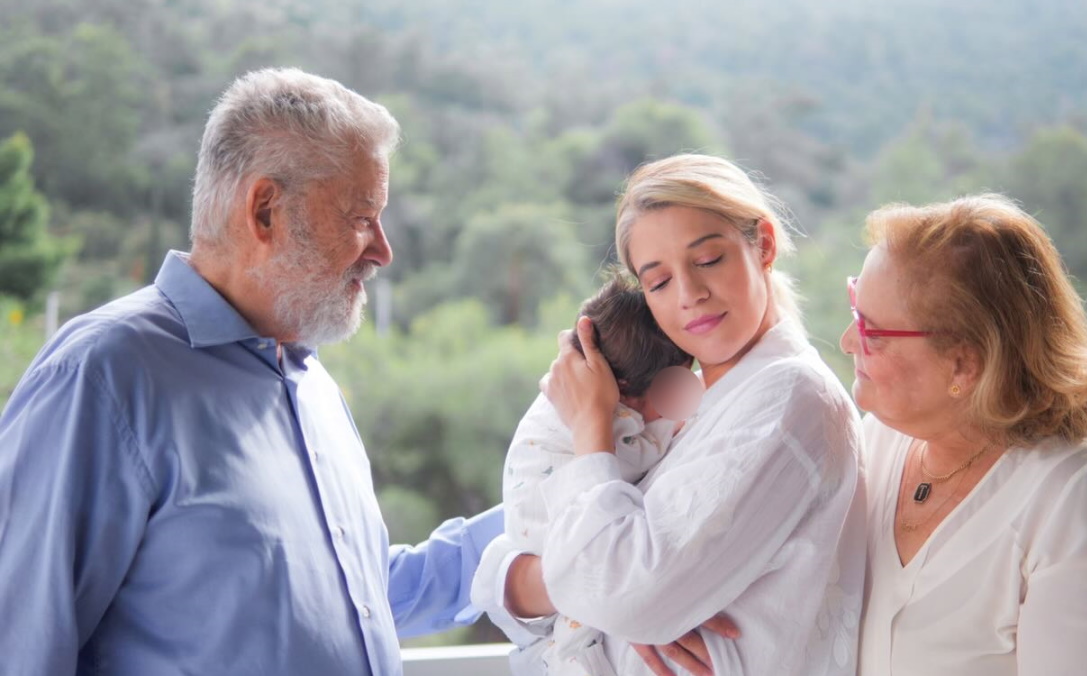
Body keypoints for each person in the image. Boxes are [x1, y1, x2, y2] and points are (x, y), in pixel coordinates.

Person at [0, 68, 502, 675]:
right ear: (265, 210)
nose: (382, 251)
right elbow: (20, 645)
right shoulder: (102, 376)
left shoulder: (310, 383)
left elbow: (359, 597)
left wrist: (547, 512)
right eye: (362, 216)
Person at [475, 154, 868, 676]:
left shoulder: (786, 399)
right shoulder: (697, 403)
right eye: (658, 283)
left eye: (708, 261)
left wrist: (590, 423)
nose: (690, 295)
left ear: (764, 245)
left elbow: (619, 593)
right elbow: (521, 577)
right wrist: (602, 599)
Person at [840, 194, 1087, 676]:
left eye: (869, 330)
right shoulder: (877, 441)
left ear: (964, 363)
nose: (847, 342)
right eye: (855, 305)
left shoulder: (1085, 495)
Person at [494, 273, 699, 675]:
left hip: (540, 558)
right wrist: (668, 429)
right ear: (622, 391)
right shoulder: (605, 417)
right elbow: (616, 469)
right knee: (577, 635)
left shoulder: (589, 397)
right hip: (549, 538)